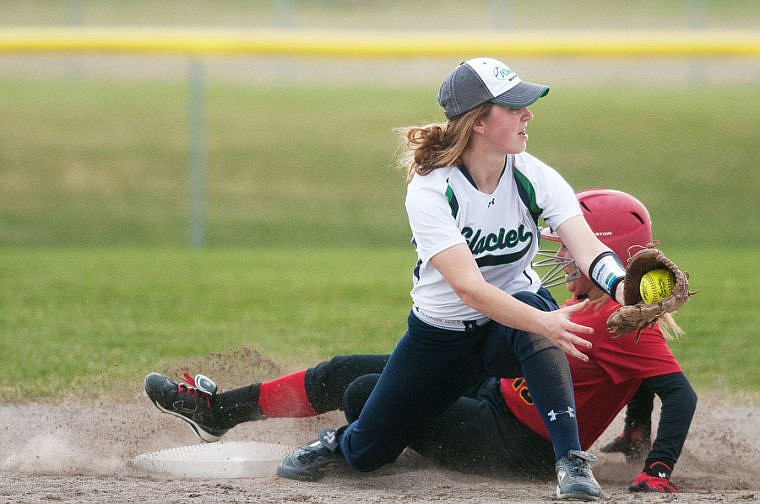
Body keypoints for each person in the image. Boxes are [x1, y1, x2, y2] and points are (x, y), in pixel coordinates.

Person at [147, 56, 652, 500]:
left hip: (503, 330)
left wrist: (628, 288)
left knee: (534, 314)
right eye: (513, 106)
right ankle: (335, 441)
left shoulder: (534, 175)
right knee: (366, 448)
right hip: (442, 337)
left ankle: (570, 464)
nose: (528, 114)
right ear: (478, 121)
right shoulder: (433, 188)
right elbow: (469, 289)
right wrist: (545, 324)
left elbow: (589, 250)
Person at [144, 188, 696, 494]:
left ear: (610, 250)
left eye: (571, 247)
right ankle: (219, 412)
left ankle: (355, 452)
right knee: (345, 372)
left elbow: (676, 389)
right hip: (492, 395)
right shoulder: (591, 307)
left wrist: (658, 467)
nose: (559, 254)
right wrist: (635, 432)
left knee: (365, 394)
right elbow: (634, 379)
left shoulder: (623, 322)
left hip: (519, 446)